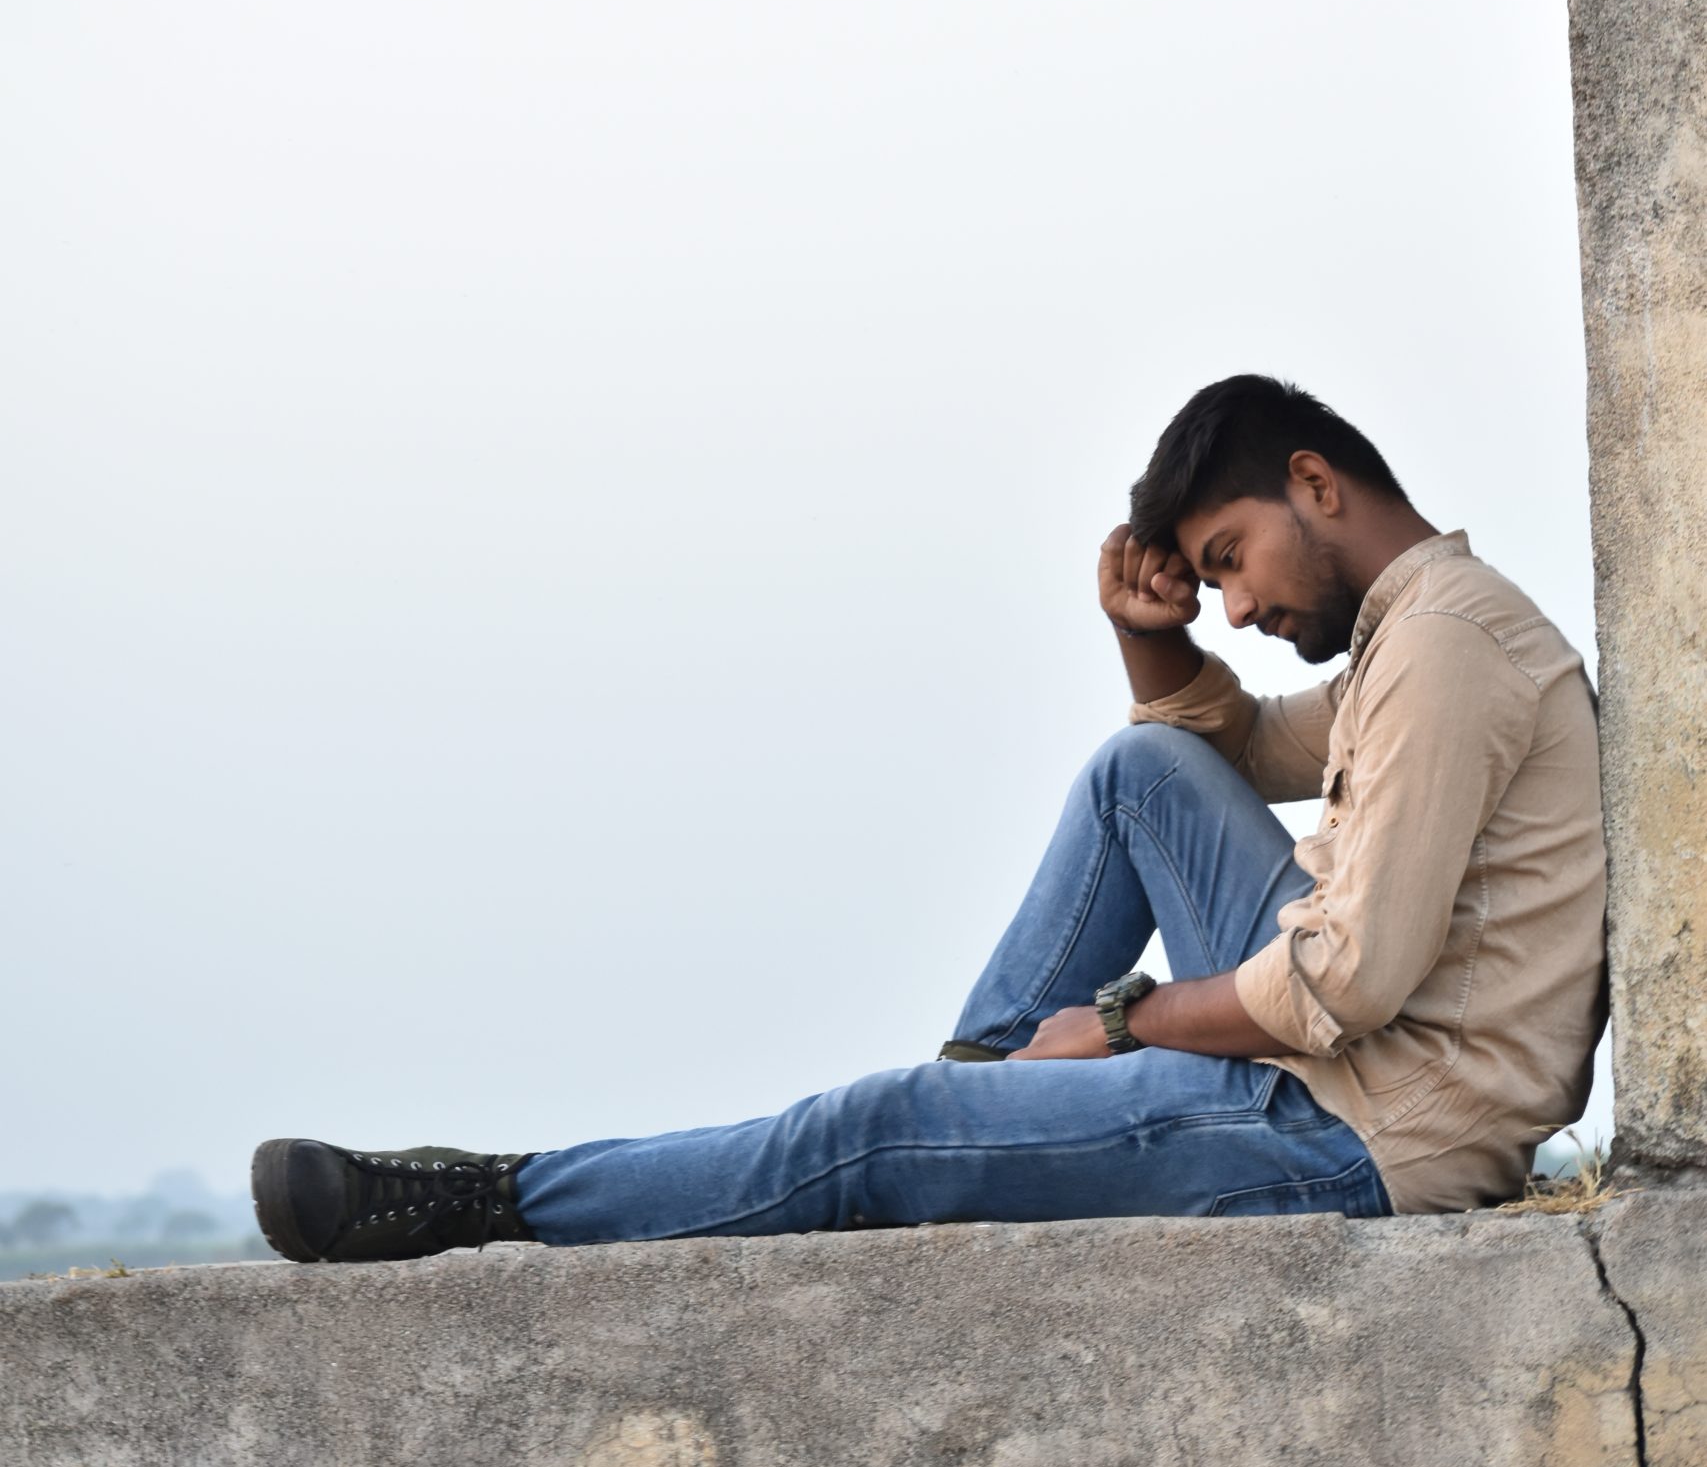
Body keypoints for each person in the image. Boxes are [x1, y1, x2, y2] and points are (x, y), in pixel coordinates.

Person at [251, 373, 1607, 1264]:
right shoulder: (1416, 635)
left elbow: (1346, 981)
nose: (1235, 607)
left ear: (1316, 485)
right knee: (1139, 773)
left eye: (1227, 563)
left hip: (1371, 1134)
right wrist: (1142, 635)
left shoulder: (1444, 650)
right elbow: (1232, 748)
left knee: (869, 1131)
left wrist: (1123, 1021)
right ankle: (983, 1107)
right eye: (1209, 580)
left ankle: (490, 1202)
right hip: (1348, 1067)